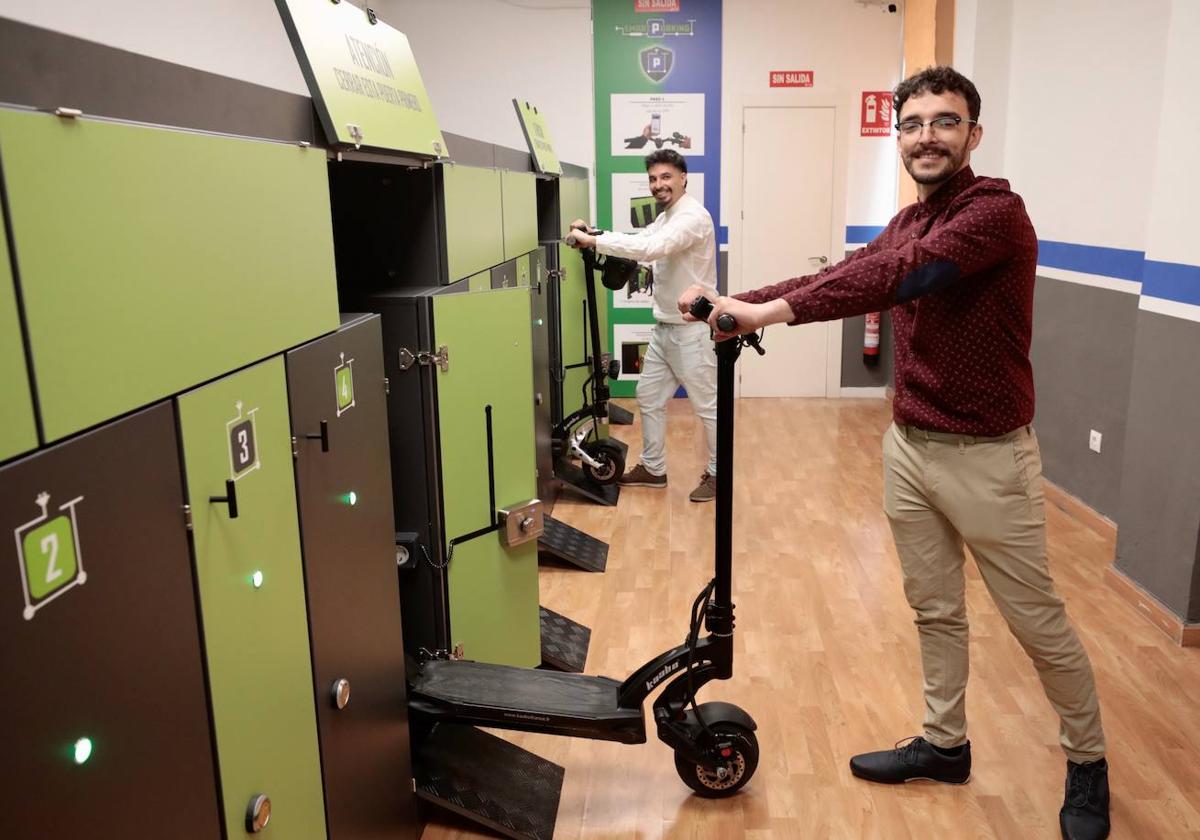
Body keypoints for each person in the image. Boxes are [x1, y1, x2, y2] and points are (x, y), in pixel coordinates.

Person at [679, 66, 1110, 840]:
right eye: (912, 124)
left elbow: (900, 278)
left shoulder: (994, 214)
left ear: (973, 136)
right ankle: (945, 745)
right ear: (899, 136)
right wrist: (737, 300)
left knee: (1036, 621)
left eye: (945, 122)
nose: (926, 136)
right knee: (934, 610)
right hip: (910, 447)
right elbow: (849, 271)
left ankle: (1088, 760)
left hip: (987, 458)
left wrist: (768, 312)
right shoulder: (912, 220)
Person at [568, 149, 720, 503]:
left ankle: (718, 474)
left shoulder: (692, 217)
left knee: (708, 408)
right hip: (665, 329)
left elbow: (651, 248)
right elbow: (642, 239)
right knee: (648, 397)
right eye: (653, 179)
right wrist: (597, 232)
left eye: (665, 177)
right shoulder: (667, 217)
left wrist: (594, 241)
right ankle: (653, 468)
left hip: (693, 331)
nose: (658, 185)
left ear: (683, 178)